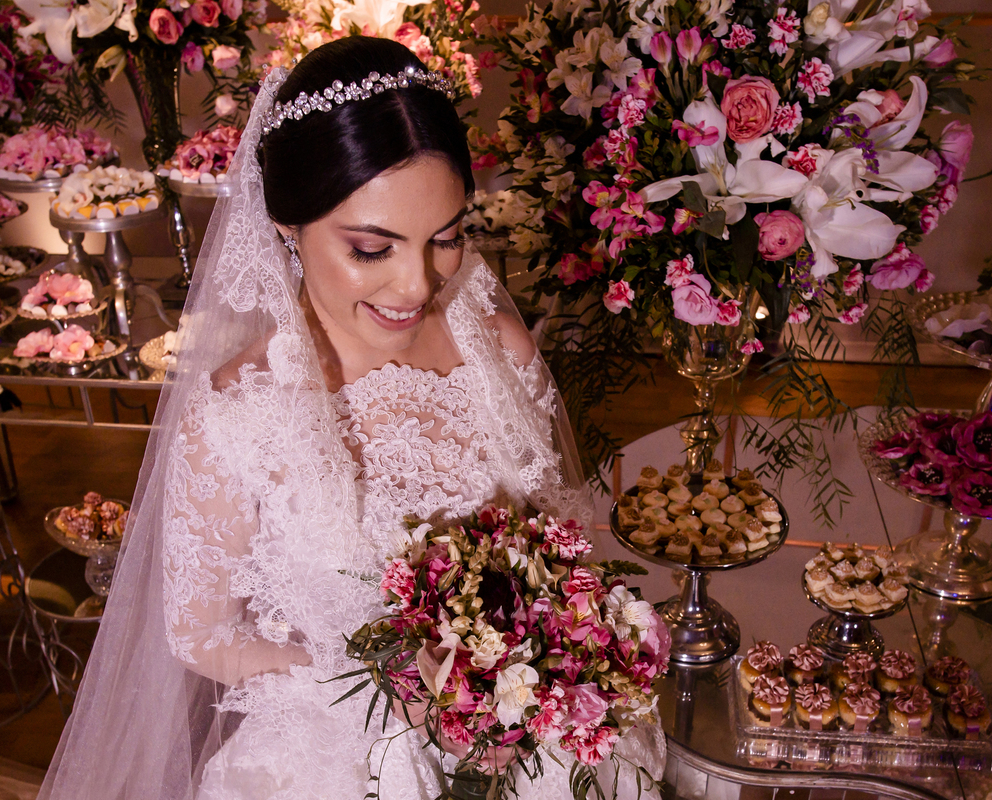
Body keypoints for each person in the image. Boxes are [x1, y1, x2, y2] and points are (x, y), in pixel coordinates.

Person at [34, 36, 665, 800]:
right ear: (286, 225)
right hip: (329, 760)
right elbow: (198, 635)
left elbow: (557, 540)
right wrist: (379, 678)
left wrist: (536, 678)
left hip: (531, 755)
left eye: (446, 238)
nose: (416, 284)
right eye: (373, 248)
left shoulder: (498, 346)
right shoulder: (241, 411)